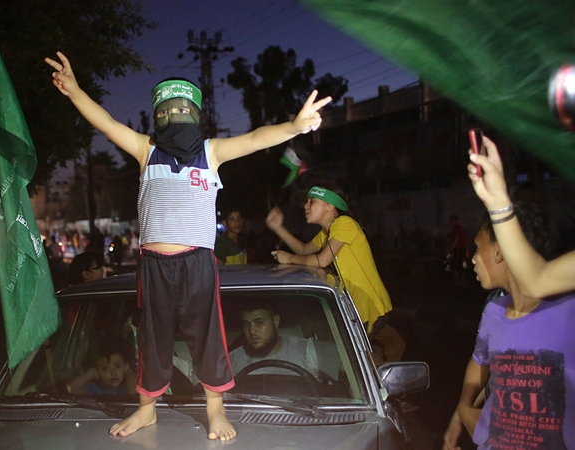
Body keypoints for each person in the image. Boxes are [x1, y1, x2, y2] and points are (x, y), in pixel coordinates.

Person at [45, 51, 330, 441]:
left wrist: (294, 126)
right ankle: (147, 410)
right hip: (154, 265)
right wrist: (75, 91)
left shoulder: (209, 152)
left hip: (197, 262)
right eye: (165, 110)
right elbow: (107, 123)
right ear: (156, 116)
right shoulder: (147, 150)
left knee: (206, 335)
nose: (173, 116)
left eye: (181, 108)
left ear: (195, 114)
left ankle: (215, 409)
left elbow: (254, 138)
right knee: (152, 338)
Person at [443, 202, 574, 450]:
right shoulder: (494, 310)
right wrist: (463, 407)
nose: (472, 258)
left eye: (478, 247)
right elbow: (480, 360)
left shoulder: (568, 312)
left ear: (499, 251)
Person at [267, 186, 405, 364]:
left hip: (367, 307)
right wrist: (278, 228)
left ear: (330, 207)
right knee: (394, 343)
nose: (305, 206)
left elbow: (322, 260)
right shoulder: (328, 232)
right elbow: (303, 249)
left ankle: (381, 384)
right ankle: (389, 378)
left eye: (312, 201)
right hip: (355, 306)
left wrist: (290, 258)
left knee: (358, 361)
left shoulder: (344, 224)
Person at [468, 135, 575, 298]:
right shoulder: (494, 306)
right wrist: (497, 201)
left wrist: (499, 203)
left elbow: (537, 282)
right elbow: (538, 282)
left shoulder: (559, 313)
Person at [228, 304, 319, 378]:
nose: (251, 331)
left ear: (275, 321)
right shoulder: (233, 360)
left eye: (259, 323)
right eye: (246, 325)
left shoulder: (307, 351)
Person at [66, 340, 137, 395]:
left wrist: (128, 371)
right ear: (97, 371)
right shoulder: (93, 389)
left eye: (118, 366)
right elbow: (70, 389)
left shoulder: (126, 386)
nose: (113, 373)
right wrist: (90, 374)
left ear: (125, 367)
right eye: (105, 368)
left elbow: (133, 393)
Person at [445, 215, 469, 288]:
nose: (452, 223)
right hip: (460, 249)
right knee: (460, 268)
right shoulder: (460, 229)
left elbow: (456, 240)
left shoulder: (458, 229)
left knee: (457, 268)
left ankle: (460, 284)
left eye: (453, 221)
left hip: (458, 250)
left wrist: (449, 250)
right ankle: (461, 284)